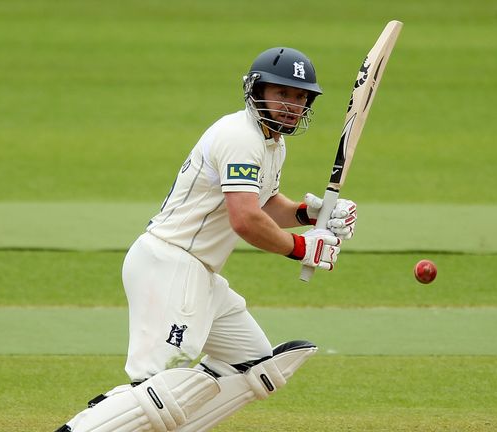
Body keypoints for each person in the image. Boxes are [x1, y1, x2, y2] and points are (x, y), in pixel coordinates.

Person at [56, 47, 358, 432]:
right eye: (282, 93)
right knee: (164, 387)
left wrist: (309, 214)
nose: (291, 105)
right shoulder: (239, 136)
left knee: (253, 365)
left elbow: (262, 205)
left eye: (300, 97)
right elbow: (245, 220)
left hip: (199, 273)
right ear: (256, 90)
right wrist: (301, 247)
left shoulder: (271, 144)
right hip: (171, 264)